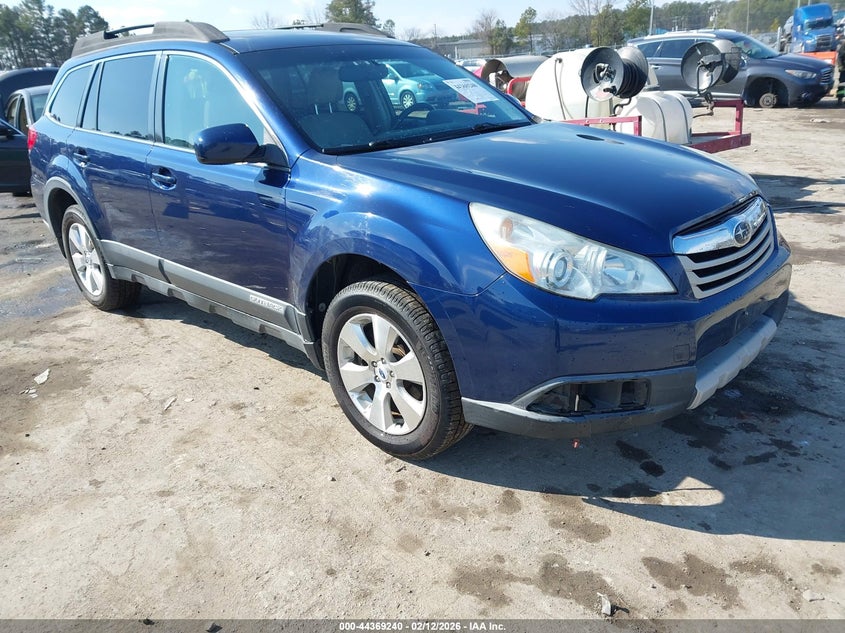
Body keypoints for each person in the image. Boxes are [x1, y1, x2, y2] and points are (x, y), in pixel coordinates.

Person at [837, 37, 845, 105]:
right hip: (844, 69)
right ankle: (840, 99)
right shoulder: (844, 45)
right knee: (842, 85)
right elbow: (840, 57)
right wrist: (840, 67)